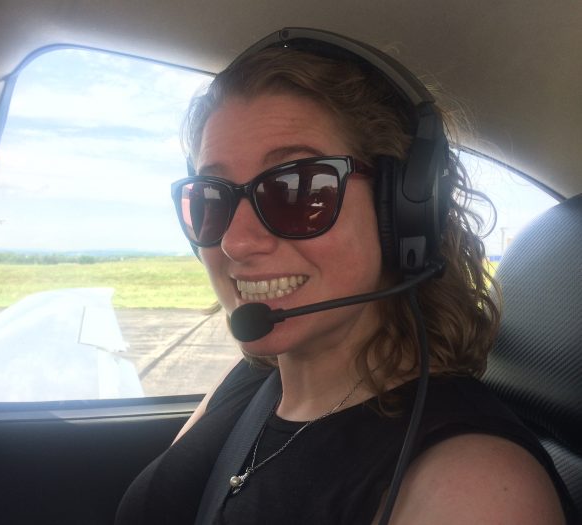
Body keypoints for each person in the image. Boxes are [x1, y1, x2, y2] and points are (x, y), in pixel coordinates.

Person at [116, 29, 574, 524]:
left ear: (403, 211)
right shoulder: (248, 383)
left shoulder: (472, 486)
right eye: (211, 198)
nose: (235, 241)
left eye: (297, 189)